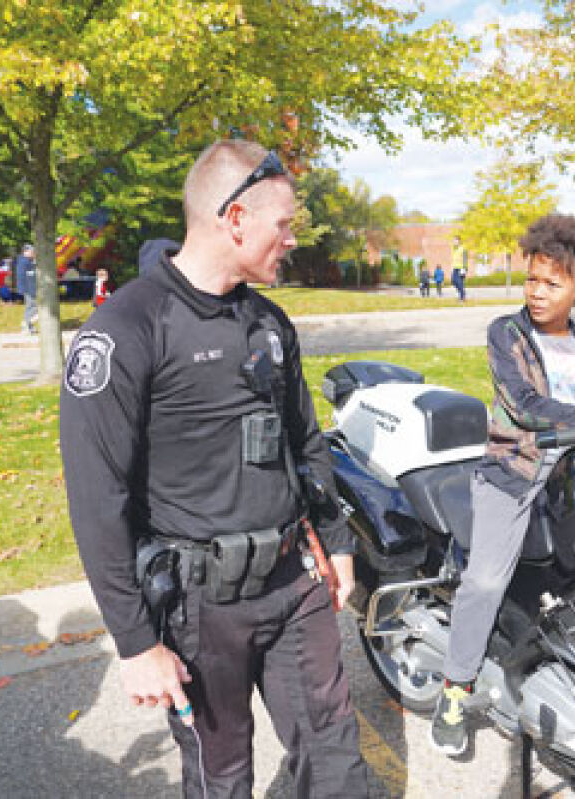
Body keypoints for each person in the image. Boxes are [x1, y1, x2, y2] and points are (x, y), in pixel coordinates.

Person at [59, 140, 369, 798]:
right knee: (222, 775)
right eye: (283, 224)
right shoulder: (127, 328)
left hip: (295, 583)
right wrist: (136, 641)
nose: (291, 239)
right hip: (199, 606)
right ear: (235, 218)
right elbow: (96, 498)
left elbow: (304, 439)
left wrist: (336, 543)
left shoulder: (268, 320)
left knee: (334, 756)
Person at [430, 213, 575, 756]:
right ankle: (455, 688)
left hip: (566, 480)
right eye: (531, 279)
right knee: (485, 581)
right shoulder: (506, 333)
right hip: (510, 476)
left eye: (551, 284)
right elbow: (526, 408)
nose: (536, 292)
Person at [16, 244, 38, 333]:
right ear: (26, 252)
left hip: (29, 288)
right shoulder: (24, 262)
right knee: (33, 307)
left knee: (31, 307)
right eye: (32, 252)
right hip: (29, 288)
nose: (34, 253)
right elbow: (26, 276)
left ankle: (29, 325)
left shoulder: (27, 261)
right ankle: (26, 323)